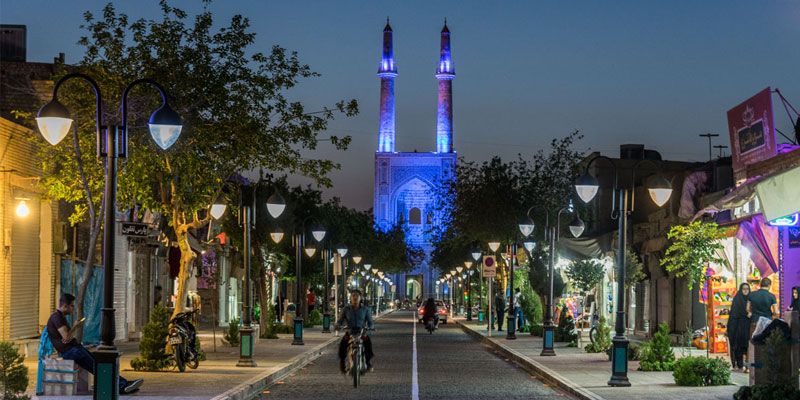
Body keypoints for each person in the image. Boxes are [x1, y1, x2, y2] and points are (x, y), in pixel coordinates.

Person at [47, 294, 143, 395]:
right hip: (71, 351)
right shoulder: (57, 317)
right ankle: (122, 385)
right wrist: (75, 326)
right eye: (72, 306)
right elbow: (66, 337)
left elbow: (66, 338)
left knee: (98, 364)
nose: (73, 308)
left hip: (74, 349)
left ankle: (122, 384)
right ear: (65, 306)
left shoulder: (59, 317)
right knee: (97, 366)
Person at [335, 290, 375, 373]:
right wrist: (338, 326)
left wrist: (370, 328)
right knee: (343, 345)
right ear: (350, 298)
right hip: (350, 332)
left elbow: (370, 322)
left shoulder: (365, 309)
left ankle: (368, 362)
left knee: (368, 344)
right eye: (353, 295)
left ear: (361, 298)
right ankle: (342, 362)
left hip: (361, 332)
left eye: (357, 295)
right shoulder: (346, 309)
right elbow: (340, 320)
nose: (355, 297)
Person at [727, 283, 751, 372]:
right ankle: (739, 365)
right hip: (737, 326)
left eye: (747, 289)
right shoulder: (737, 299)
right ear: (741, 290)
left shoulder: (751, 299)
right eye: (743, 289)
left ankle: (748, 366)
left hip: (747, 325)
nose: (745, 290)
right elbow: (733, 314)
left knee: (747, 346)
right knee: (738, 346)